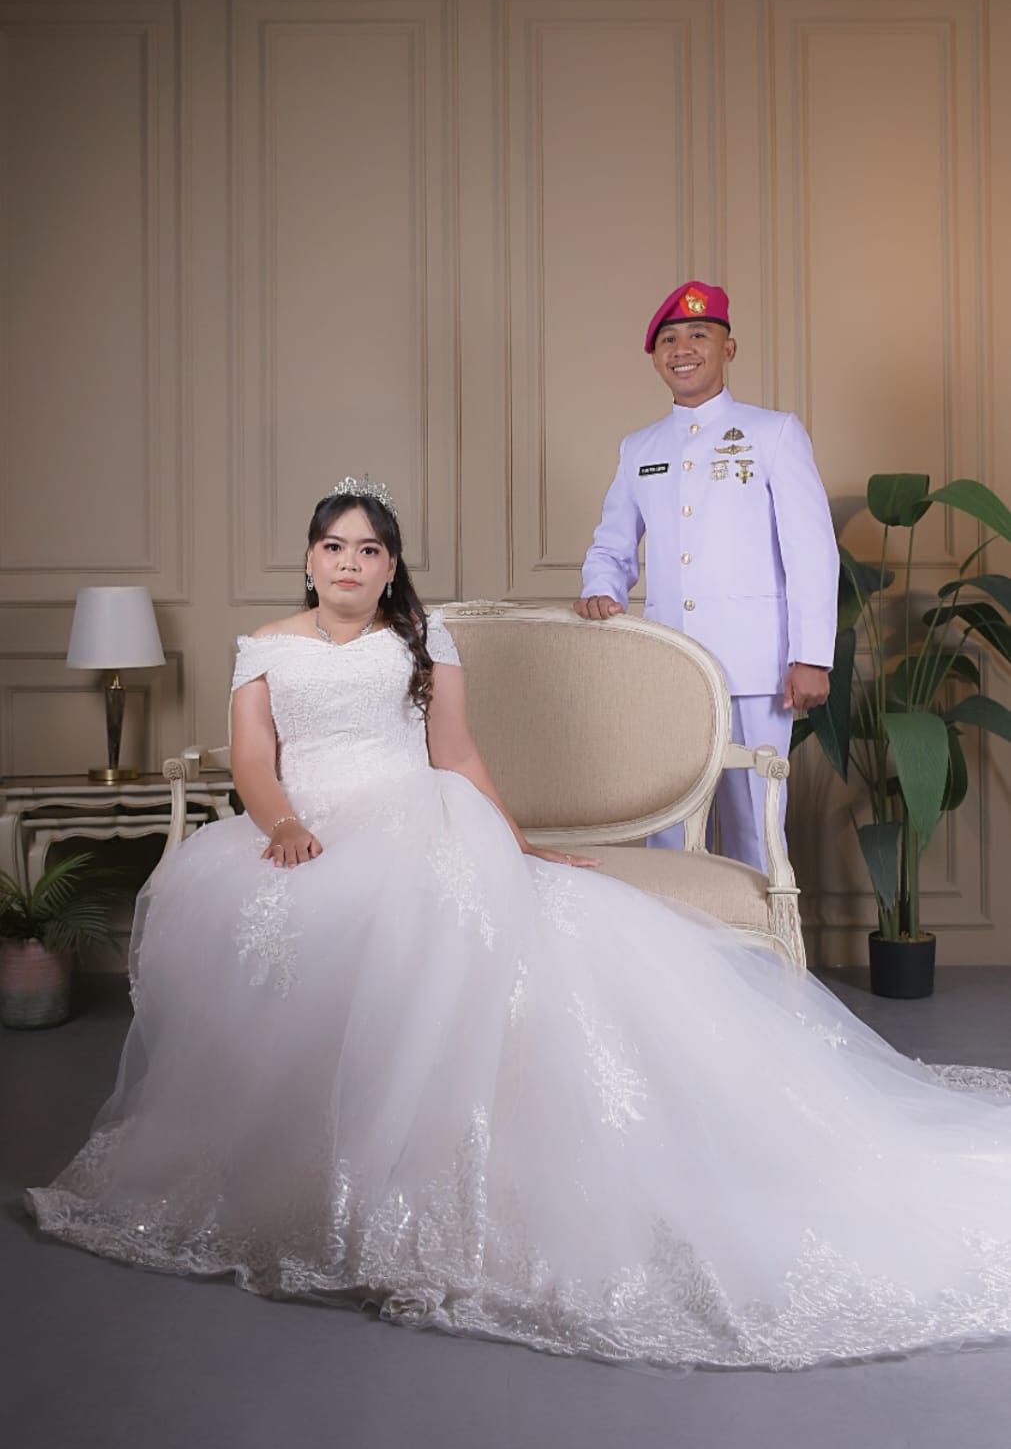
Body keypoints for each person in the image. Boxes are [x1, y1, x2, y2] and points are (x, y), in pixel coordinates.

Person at [27, 479, 1011, 1372]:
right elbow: (251, 758)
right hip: (303, 826)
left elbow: (455, 755)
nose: (350, 563)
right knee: (273, 929)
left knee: (456, 926)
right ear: (310, 557)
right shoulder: (265, 647)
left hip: (412, 816)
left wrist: (516, 843)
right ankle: (309, 1175)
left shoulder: (421, 641)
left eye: (370, 550)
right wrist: (280, 823)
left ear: (390, 567)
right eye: (334, 547)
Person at [577, 281, 839, 871]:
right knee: (667, 827)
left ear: (729, 348)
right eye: (668, 339)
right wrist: (600, 589)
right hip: (670, 663)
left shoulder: (773, 433)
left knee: (755, 830)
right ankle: (677, 934)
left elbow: (812, 551)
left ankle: (763, 934)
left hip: (757, 666)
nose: (682, 349)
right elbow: (612, 545)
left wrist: (811, 655)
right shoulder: (639, 447)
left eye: (699, 334)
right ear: (655, 357)